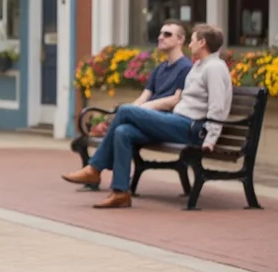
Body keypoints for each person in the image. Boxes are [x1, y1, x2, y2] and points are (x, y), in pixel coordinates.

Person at [62, 24, 232, 208]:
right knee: (123, 132)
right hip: (178, 122)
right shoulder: (199, 66)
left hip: (191, 128)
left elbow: (218, 107)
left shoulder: (214, 67)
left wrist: (211, 138)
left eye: (192, 40)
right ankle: (120, 192)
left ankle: (95, 168)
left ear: (202, 42)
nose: (190, 45)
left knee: (126, 110)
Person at [88, 20, 193, 139]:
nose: (161, 37)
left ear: (180, 39)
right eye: (160, 33)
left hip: (165, 122)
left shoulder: (186, 67)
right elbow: (143, 97)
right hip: (148, 117)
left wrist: (140, 109)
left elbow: (175, 99)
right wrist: (134, 109)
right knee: (122, 132)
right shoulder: (159, 68)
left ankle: (103, 144)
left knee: (124, 114)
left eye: (167, 34)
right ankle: (109, 152)